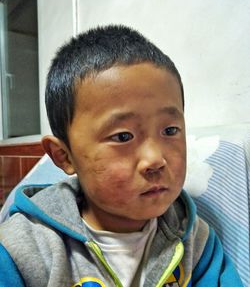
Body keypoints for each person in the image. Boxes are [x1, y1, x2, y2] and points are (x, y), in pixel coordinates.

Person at [0, 25, 243, 287]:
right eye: (123, 137)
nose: (154, 159)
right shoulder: (23, 250)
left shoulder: (196, 242)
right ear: (64, 156)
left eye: (170, 130)